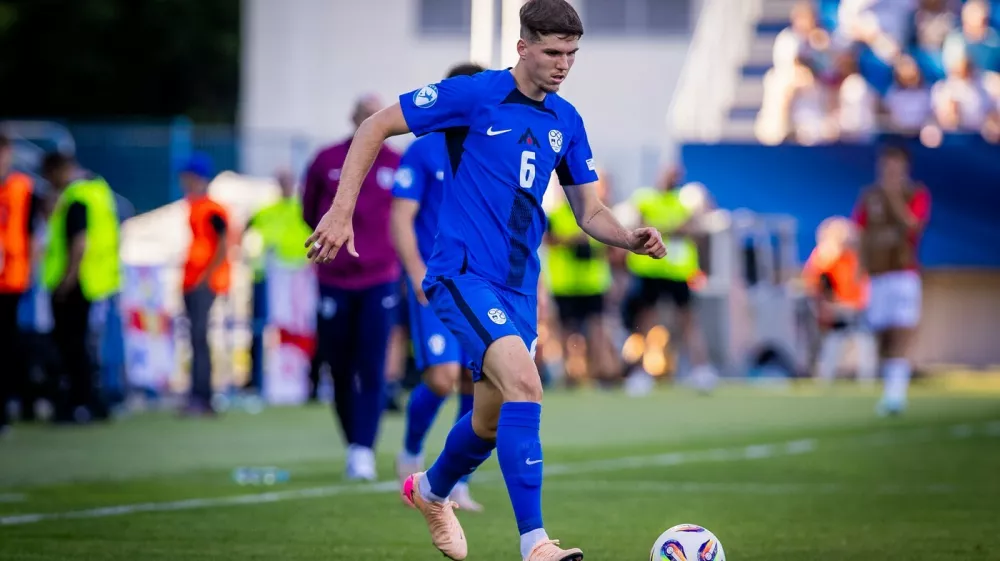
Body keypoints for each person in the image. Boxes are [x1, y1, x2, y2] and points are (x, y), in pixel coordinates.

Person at [305, 1, 666, 559]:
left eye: (572, 54)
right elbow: (376, 127)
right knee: (526, 384)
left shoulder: (566, 120)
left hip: (519, 289)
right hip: (462, 274)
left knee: (489, 423)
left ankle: (430, 491)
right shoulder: (476, 94)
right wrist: (340, 210)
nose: (563, 64)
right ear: (522, 47)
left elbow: (589, 212)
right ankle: (536, 543)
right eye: (552, 52)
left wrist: (629, 237)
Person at [391, 61, 487, 513]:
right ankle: (411, 451)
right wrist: (415, 271)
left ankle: (457, 481)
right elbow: (401, 217)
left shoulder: (490, 149)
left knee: (476, 380)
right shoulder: (423, 150)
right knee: (442, 376)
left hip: (481, 284)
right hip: (434, 282)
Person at [301, 94, 402, 481]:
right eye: (365, 116)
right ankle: (353, 443)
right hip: (334, 278)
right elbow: (309, 211)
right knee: (338, 365)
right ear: (353, 118)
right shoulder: (326, 159)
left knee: (372, 363)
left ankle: (364, 448)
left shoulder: (396, 163)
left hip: (380, 278)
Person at [40, 151, 120, 424]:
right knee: (84, 346)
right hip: (98, 281)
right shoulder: (98, 190)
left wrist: (67, 279)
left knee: (72, 347)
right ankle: (92, 403)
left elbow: (79, 242)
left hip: (77, 284)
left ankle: (79, 403)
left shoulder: (76, 197)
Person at [852, 144, 931, 416]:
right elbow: (860, 232)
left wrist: (894, 195)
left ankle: (895, 396)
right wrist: (859, 268)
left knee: (901, 332)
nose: (889, 171)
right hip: (877, 275)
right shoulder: (869, 196)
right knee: (882, 336)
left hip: (903, 274)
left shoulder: (915, 194)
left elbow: (913, 226)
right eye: (886, 165)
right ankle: (890, 389)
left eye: (895, 166)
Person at [623, 165, 718, 390]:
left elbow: (696, 228)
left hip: (677, 272)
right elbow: (637, 226)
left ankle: (701, 370)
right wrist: (672, 229)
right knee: (645, 322)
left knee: (688, 321)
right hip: (650, 270)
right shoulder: (645, 199)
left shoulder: (685, 201)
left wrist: (669, 229)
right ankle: (639, 373)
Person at [544, 170, 618, 386]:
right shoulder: (555, 215)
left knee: (597, 329)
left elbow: (611, 249)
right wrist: (574, 240)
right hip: (565, 284)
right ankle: (571, 374)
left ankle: (599, 373)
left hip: (593, 283)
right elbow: (550, 240)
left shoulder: (596, 214)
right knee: (568, 333)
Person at [243, 169, 313, 393]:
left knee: (300, 327)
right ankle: (261, 379)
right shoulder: (266, 211)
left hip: (299, 277)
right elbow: (246, 230)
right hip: (271, 278)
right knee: (265, 327)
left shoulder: (302, 208)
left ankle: (302, 379)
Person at [0, 134, 45, 432]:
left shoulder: (22, 188)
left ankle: (6, 409)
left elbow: (34, 233)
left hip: (13, 280)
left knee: (9, 345)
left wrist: (33, 271)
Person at [179, 153, 230, 417]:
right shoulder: (197, 206)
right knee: (195, 339)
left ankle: (202, 398)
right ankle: (197, 396)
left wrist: (206, 276)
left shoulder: (211, 209)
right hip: (194, 281)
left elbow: (223, 244)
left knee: (199, 339)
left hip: (203, 283)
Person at [801, 216, 876, 385]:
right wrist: (827, 305)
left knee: (864, 342)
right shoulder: (825, 257)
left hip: (856, 307)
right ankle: (824, 379)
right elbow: (816, 284)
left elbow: (862, 284)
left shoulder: (854, 257)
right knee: (833, 342)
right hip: (835, 309)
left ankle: (867, 380)